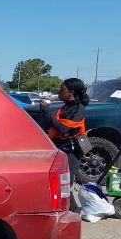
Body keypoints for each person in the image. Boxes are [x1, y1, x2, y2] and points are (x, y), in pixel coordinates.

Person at [40, 78, 89, 208]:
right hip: (61, 147)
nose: (59, 91)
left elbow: (63, 129)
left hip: (72, 150)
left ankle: (72, 210)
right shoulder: (65, 107)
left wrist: (47, 112)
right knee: (59, 180)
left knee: (65, 181)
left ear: (71, 92)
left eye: (62, 89)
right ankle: (67, 208)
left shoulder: (79, 109)